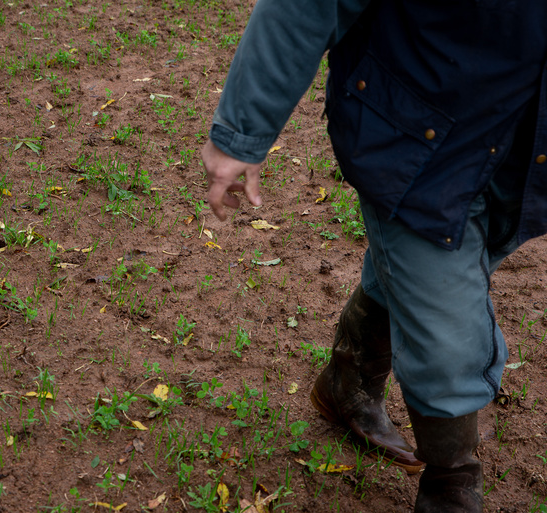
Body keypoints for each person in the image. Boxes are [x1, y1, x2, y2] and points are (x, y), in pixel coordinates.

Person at [201, 1, 547, 511]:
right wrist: (242, 131)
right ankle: (451, 485)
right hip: (418, 142)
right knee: (449, 341)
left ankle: (349, 380)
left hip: (524, 153)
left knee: (425, 278)